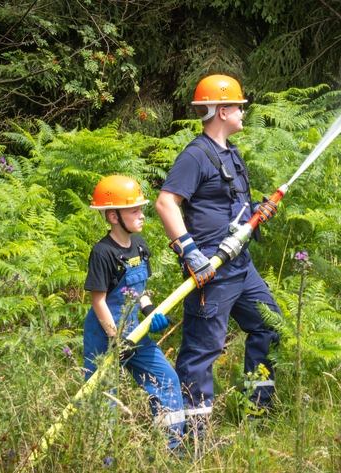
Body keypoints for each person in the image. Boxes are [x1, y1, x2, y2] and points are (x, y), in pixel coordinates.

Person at [155, 74, 281, 436]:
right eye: (239, 106)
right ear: (222, 110)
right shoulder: (195, 155)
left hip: (240, 266)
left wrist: (257, 211)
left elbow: (230, 208)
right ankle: (190, 439)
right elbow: (166, 203)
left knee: (269, 327)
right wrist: (189, 252)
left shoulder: (230, 153)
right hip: (211, 270)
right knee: (201, 351)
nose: (244, 111)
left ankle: (256, 414)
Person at [83, 174, 185, 451]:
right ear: (114, 217)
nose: (142, 215)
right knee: (103, 398)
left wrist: (150, 312)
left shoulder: (140, 247)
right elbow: (99, 302)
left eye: (141, 209)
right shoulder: (102, 253)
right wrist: (115, 339)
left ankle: (171, 451)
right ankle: (103, 463)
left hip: (134, 331)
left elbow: (139, 291)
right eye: (134, 211)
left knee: (166, 380)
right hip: (104, 335)